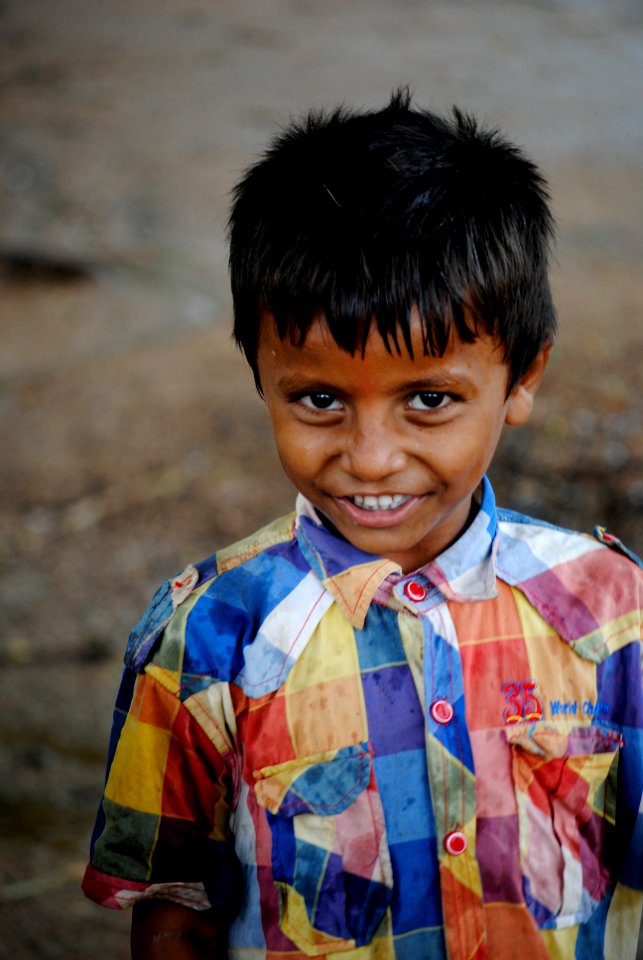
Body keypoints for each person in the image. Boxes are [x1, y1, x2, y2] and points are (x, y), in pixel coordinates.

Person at [82, 89, 643, 960]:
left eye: (429, 400)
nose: (372, 457)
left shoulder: (615, 616)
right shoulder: (206, 637)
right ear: (261, 375)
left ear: (522, 378)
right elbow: (174, 908)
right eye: (319, 399)